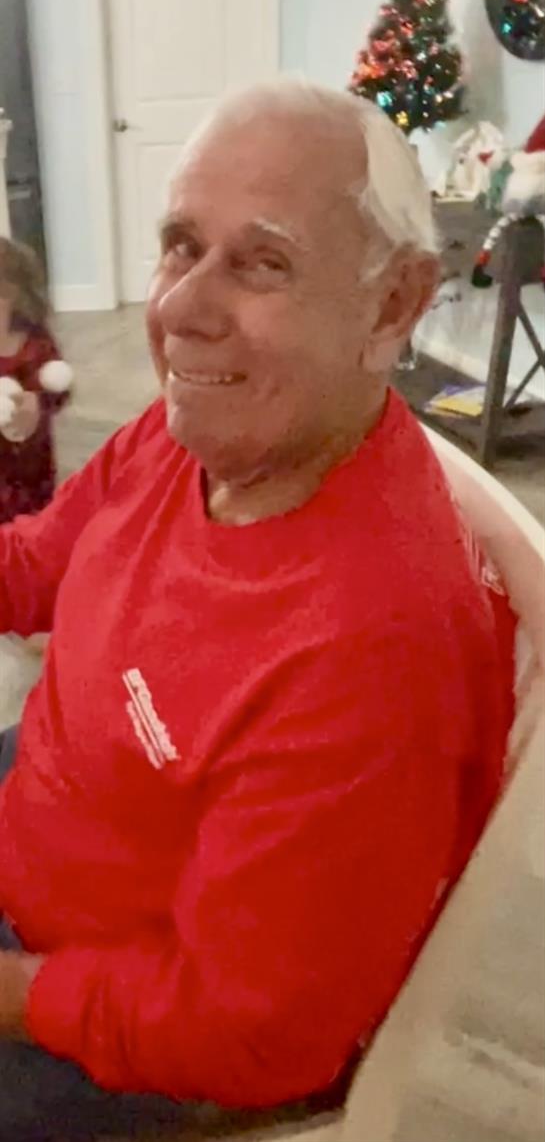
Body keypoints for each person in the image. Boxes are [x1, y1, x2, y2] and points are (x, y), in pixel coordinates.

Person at [0, 80, 515, 1140]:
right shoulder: (191, 432)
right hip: (49, 804)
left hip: (115, 1024)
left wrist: (9, 991)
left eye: (262, 262)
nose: (180, 311)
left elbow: (248, 1033)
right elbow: (35, 565)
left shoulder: (371, 648)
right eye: (180, 247)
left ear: (392, 305)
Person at [0, 237, 72, 525]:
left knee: (35, 518)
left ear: (16, 298)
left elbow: (60, 388)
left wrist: (39, 402)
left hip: (32, 465)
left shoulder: (35, 344)